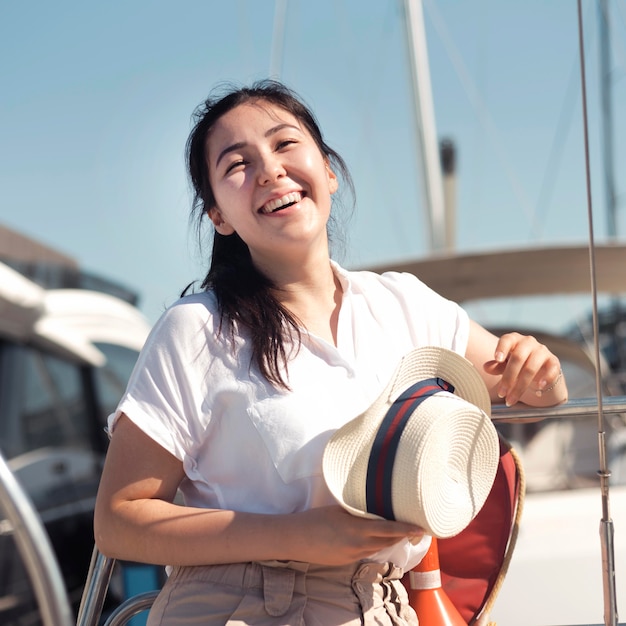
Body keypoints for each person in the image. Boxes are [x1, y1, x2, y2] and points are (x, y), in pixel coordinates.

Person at [93, 79, 568, 625]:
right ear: (219, 216)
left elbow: (530, 389)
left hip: (382, 605)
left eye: (285, 144)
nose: (269, 169)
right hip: (238, 606)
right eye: (236, 164)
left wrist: (544, 373)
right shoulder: (197, 330)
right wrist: (298, 536)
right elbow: (119, 520)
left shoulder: (405, 304)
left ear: (329, 170)